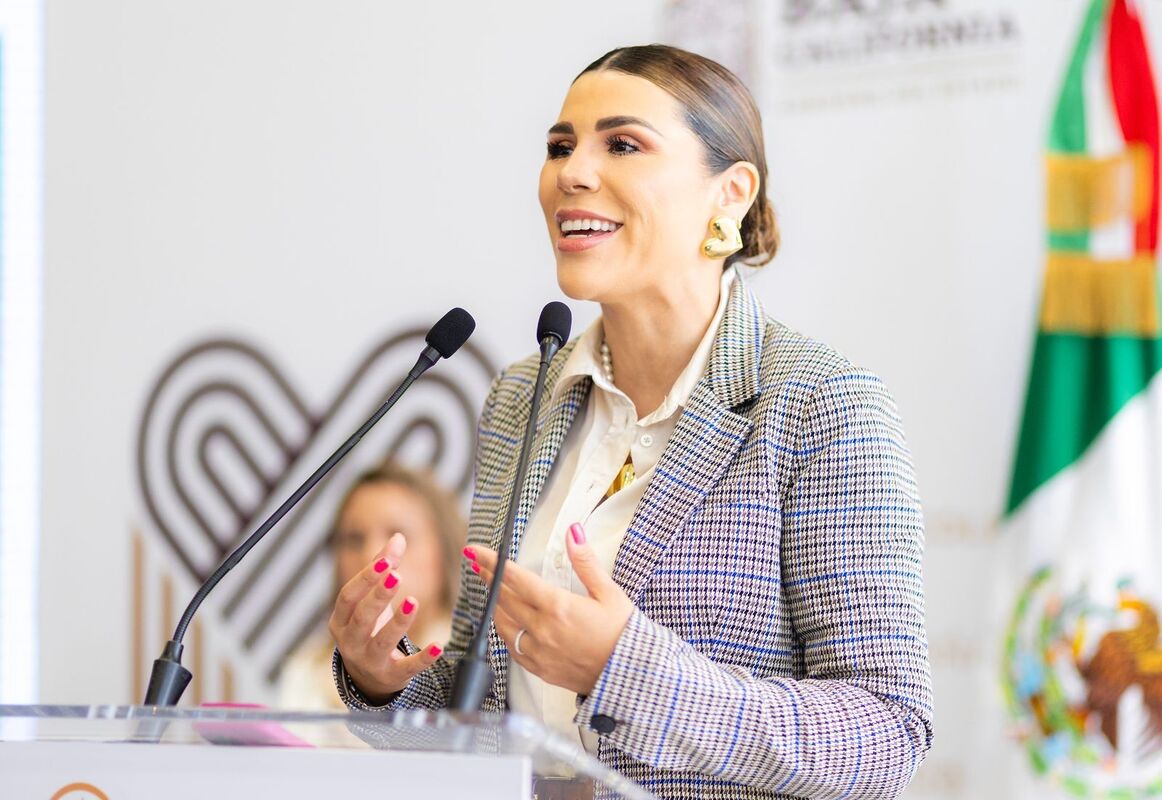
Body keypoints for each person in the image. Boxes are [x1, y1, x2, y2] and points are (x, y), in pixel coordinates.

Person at [329, 44, 934, 798]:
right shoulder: (522, 397)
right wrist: (385, 682)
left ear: (731, 193)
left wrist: (628, 671)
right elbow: (485, 705)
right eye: (560, 147)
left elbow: (887, 733)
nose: (572, 173)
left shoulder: (820, 403)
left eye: (622, 145)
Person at [277, 461, 464, 711]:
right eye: (354, 539)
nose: (371, 555)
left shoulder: (480, 667)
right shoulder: (304, 672)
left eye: (397, 536)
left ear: (444, 551)